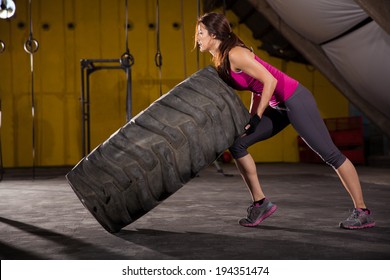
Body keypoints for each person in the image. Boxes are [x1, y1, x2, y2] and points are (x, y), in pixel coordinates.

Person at [195, 12, 375, 230]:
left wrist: (258, 116)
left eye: (201, 32)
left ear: (214, 34)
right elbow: (256, 87)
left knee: (330, 154)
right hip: (277, 107)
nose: (197, 37)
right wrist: (251, 117)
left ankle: (362, 211)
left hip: (295, 99)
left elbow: (269, 81)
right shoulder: (223, 58)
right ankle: (261, 203)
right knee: (238, 144)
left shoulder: (235, 54)